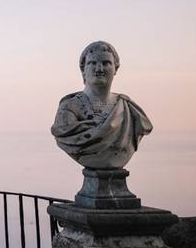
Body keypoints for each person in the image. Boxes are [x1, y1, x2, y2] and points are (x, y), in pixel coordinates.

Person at [51, 41, 153, 169]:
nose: (99, 69)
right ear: (83, 70)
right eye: (92, 63)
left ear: (115, 69)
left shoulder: (128, 108)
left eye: (106, 63)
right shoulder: (69, 107)